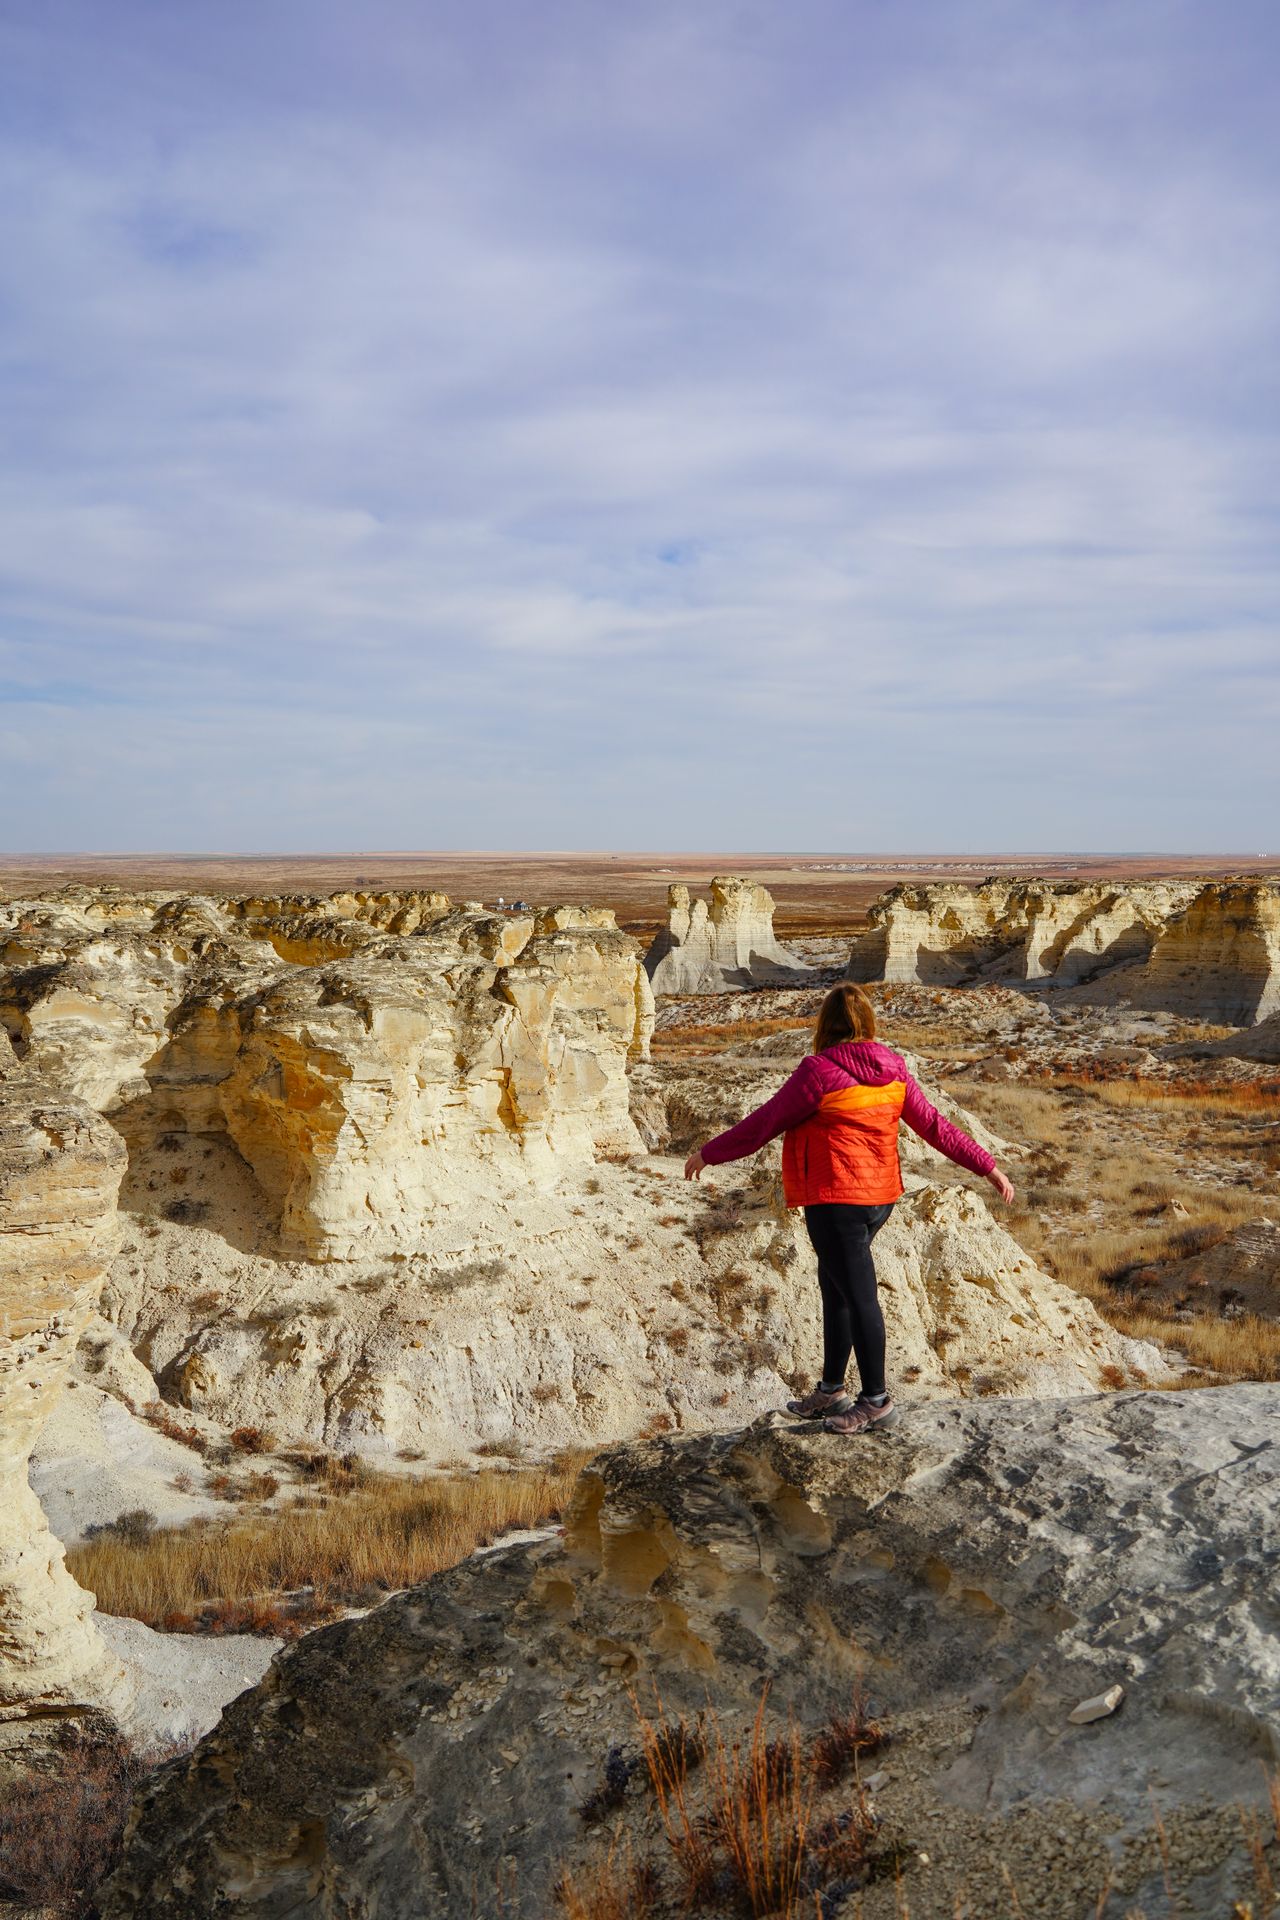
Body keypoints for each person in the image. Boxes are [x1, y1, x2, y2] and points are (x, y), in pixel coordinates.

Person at [683, 982, 1015, 1435]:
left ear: (825, 1025)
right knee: (835, 1287)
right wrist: (988, 1167)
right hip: (879, 1199)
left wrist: (710, 1153)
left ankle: (876, 1401)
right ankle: (831, 1389)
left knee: (858, 1297)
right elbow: (936, 1127)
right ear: (868, 1024)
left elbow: (766, 1121)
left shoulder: (818, 1072)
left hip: (837, 1200)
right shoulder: (894, 1069)